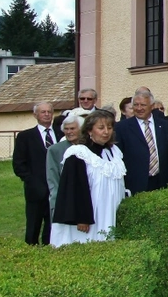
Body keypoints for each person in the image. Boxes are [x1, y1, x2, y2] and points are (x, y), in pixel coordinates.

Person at [51, 110, 127, 247]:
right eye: (101, 128)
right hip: (89, 215)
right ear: (89, 131)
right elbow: (73, 188)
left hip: (108, 211)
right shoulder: (79, 154)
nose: (106, 132)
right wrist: (82, 218)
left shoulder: (113, 151)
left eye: (109, 128)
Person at [13, 101, 62, 245]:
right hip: (36, 189)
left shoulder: (61, 134)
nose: (47, 115)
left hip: (57, 187)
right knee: (34, 223)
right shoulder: (25, 137)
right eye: (43, 112)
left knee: (53, 223)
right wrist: (31, 181)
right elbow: (18, 164)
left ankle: (50, 246)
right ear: (35, 115)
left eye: (49, 112)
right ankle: (31, 250)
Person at [114, 89, 168, 195]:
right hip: (135, 183)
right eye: (136, 105)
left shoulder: (165, 125)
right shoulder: (122, 127)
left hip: (161, 181)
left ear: (152, 106)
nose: (139, 108)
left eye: (143, 105)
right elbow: (118, 156)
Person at [47, 110, 85, 220]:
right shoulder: (55, 150)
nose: (69, 132)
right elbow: (53, 178)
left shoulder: (89, 147)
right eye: (66, 129)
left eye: (72, 129)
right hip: (63, 199)